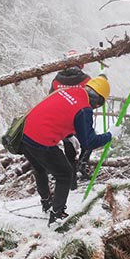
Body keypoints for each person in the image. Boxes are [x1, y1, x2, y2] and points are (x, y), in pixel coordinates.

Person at [22, 75, 122, 225]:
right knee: (65, 175)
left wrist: (69, 136)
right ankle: (56, 217)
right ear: (99, 100)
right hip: (41, 141)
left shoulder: (68, 91)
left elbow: (58, 113)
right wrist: (109, 135)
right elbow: (89, 142)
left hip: (25, 134)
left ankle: (46, 203)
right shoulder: (84, 109)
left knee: (40, 169)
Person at [48, 51, 91, 190]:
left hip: (63, 121)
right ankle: (82, 165)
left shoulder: (56, 80)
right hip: (81, 118)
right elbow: (91, 98)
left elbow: (50, 98)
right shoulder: (86, 80)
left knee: (69, 151)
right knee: (89, 142)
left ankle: (72, 182)